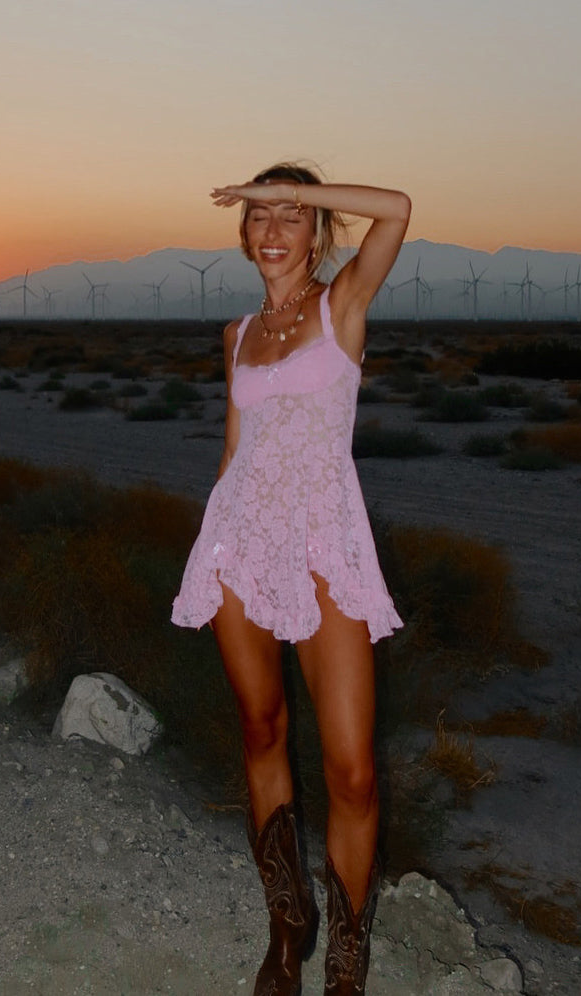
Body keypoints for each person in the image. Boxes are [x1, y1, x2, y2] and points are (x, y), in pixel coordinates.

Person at [172, 162, 411, 995]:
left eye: (292, 216)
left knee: (352, 770)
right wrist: (213, 543)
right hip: (241, 534)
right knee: (261, 728)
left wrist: (304, 189)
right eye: (261, 217)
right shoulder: (236, 335)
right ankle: (288, 924)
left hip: (323, 545)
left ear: (317, 232)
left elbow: (397, 208)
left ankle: (347, 962)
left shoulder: (340, 308)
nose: (274, 230)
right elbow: (234, 452)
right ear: (242, 236)